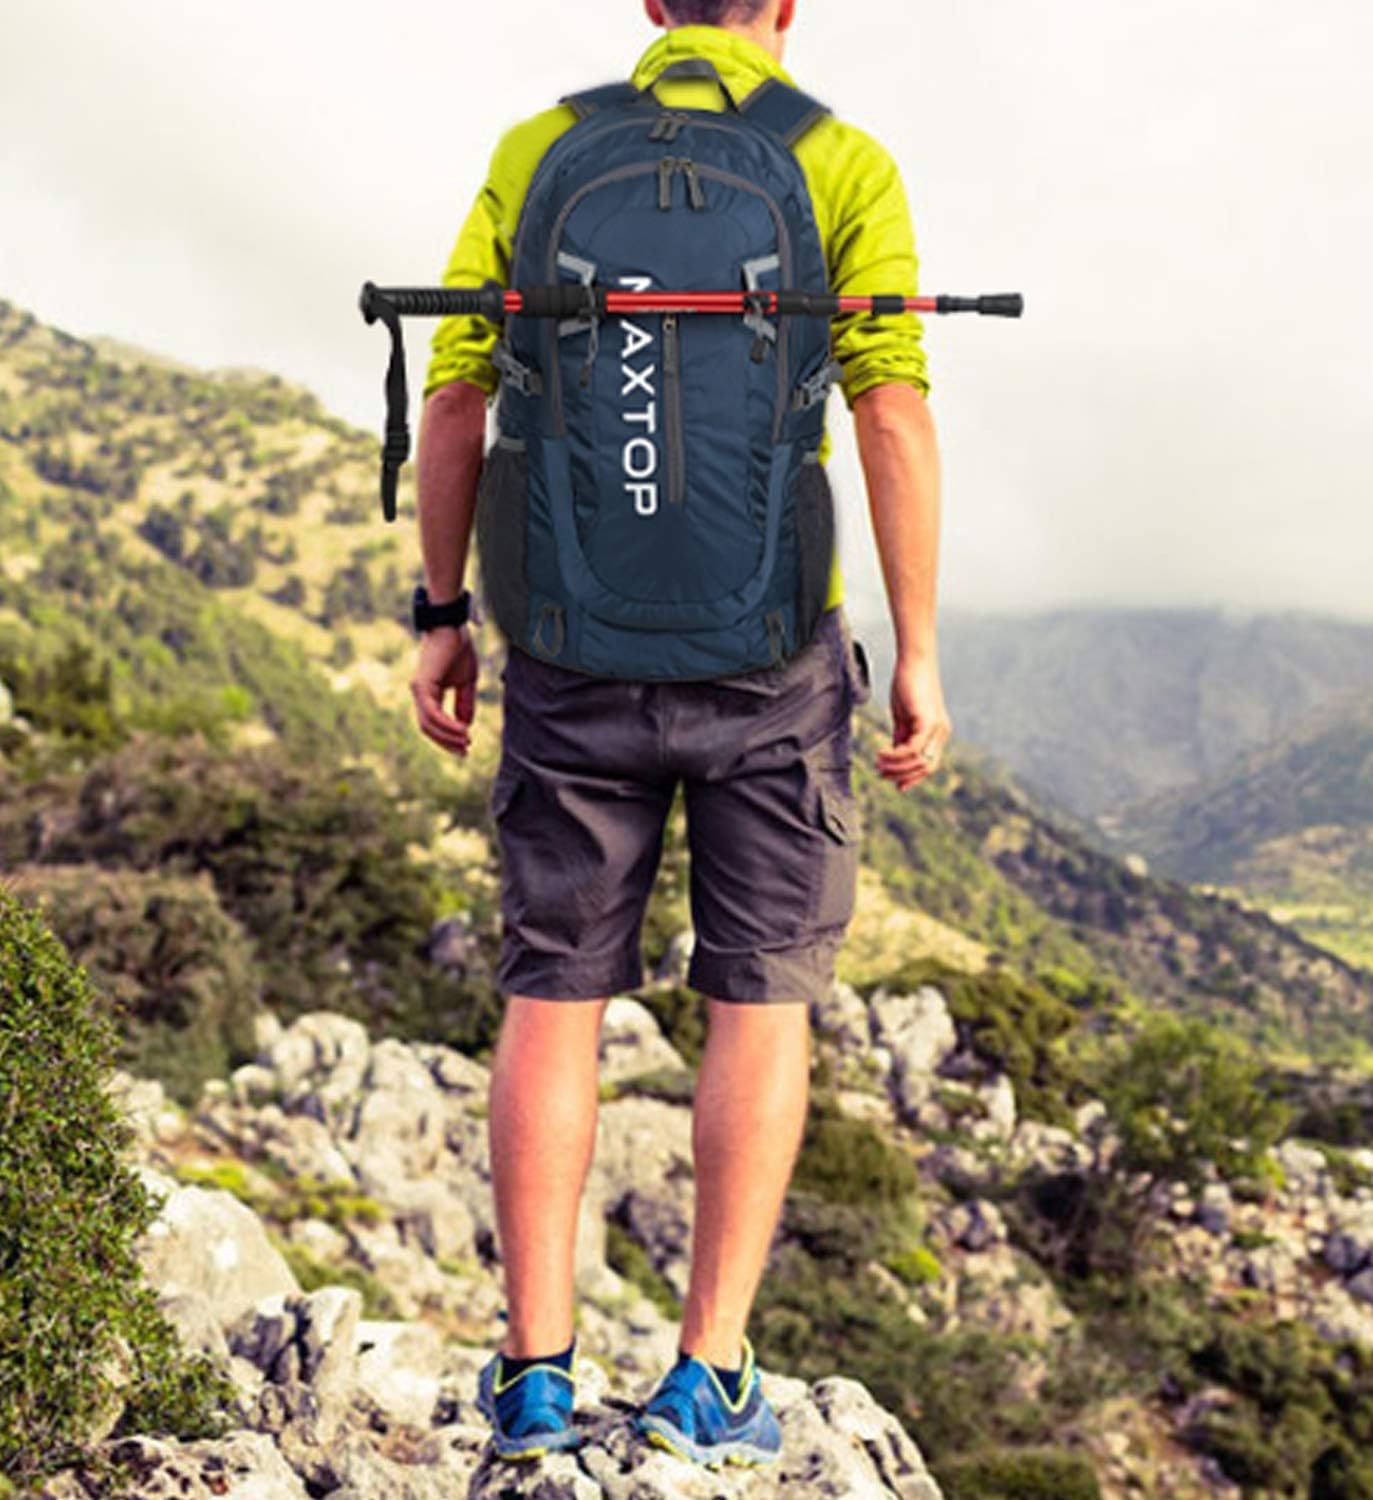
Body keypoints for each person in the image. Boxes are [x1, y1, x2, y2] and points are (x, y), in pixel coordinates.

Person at [409, 0, 951, 1469]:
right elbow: (890, 409)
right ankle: (710, 1371)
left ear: (651, 6)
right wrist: (918, 652)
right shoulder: (842, 164)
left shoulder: (542, 150)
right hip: (771, 659)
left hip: (572, 646)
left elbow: (455, 393)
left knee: (554, 990)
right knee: (760, 998)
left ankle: (532, 1371)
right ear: (788, 7)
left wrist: (440, 612)